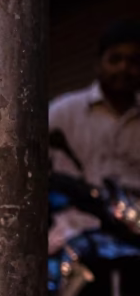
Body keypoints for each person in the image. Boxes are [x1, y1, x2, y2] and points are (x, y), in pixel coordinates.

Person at [48, 20, 140, 253]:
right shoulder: (63, 112)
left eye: (133, 61)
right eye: (115, 59)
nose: (124, 68)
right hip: (71, 238)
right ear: (99, 63)